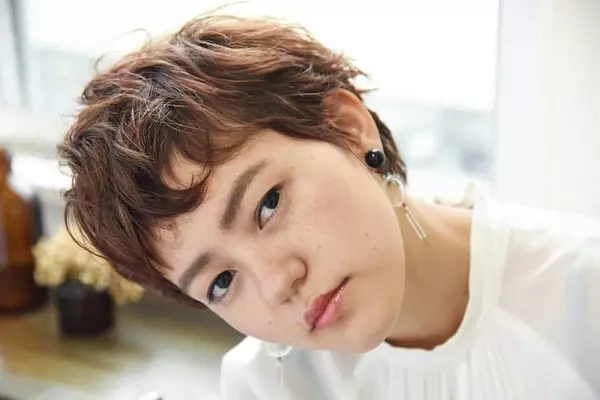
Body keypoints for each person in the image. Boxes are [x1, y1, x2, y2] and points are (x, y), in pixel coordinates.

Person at [58, 15, 600, 399]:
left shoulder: (585, 289)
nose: (278, 283)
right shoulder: (264, 385)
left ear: (348, 127)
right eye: (221, 281)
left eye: (268, 204)